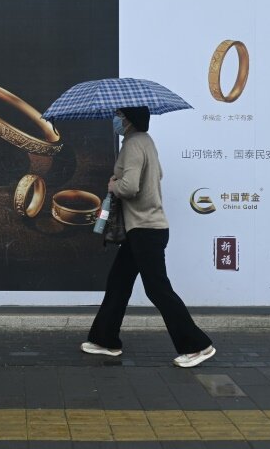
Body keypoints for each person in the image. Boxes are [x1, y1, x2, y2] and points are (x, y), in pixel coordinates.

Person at [81, 107, 216, 368]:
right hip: (141, 229)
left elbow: (130, 187)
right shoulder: (146, 142)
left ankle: (198, 345)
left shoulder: (133, 144)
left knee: (157, 289)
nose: (116, 120)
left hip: (145, 229)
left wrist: (114, 185)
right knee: (119, 282)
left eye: (119, 115)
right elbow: (156, 176)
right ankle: (104, 340)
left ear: (128, 120)